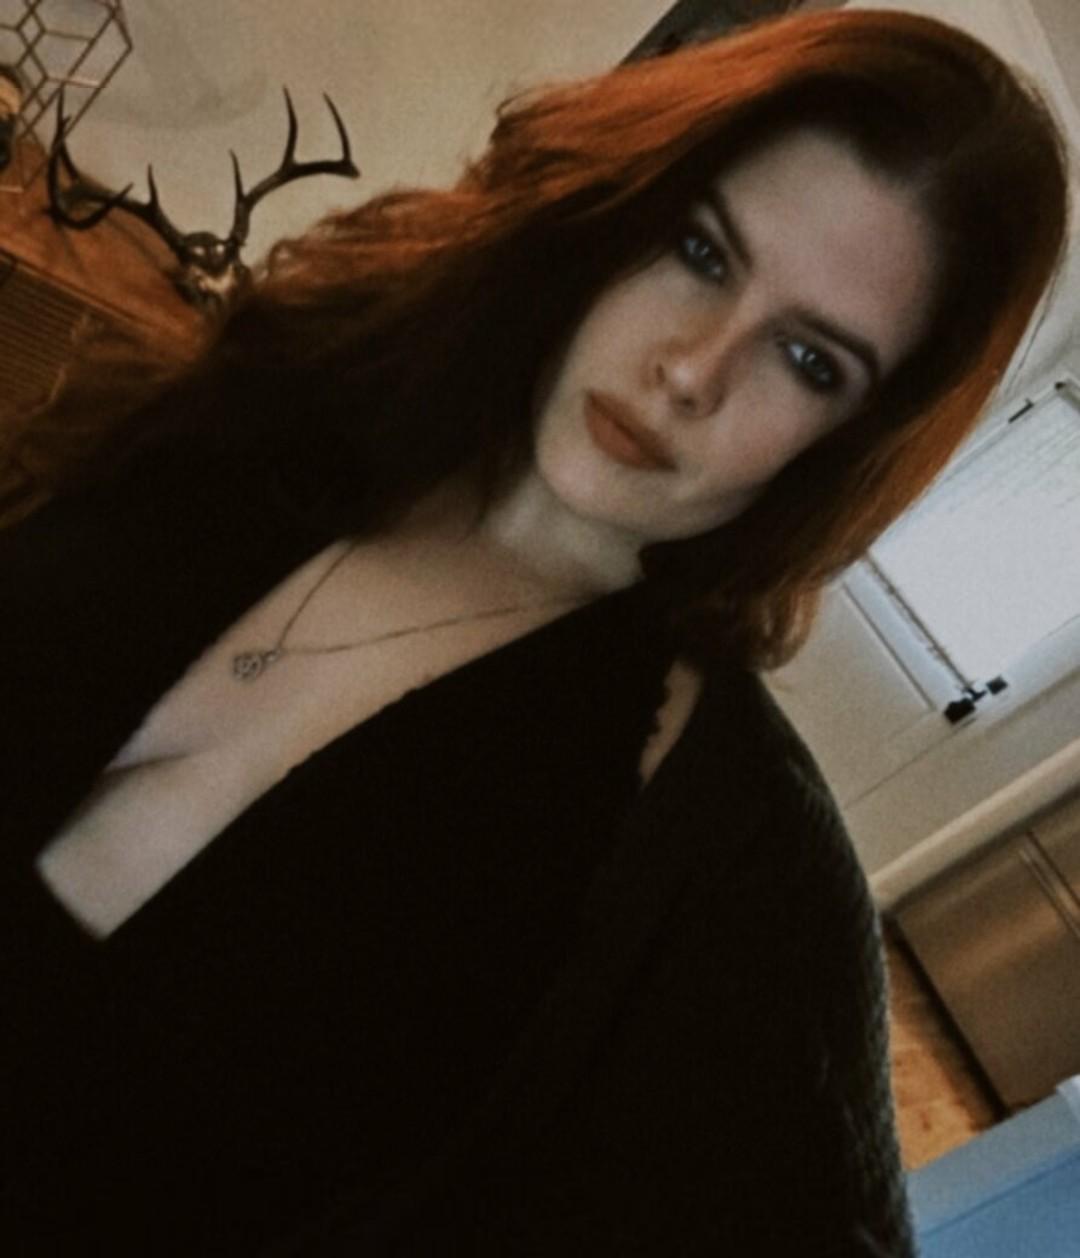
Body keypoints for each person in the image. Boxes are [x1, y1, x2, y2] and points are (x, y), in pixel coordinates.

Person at [0, 8, 1068, 1256]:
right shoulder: (296, 395)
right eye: (701, 251)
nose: (693, 370)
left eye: (806, 359)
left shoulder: (722, 863)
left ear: (848, 442)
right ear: (618, 208)